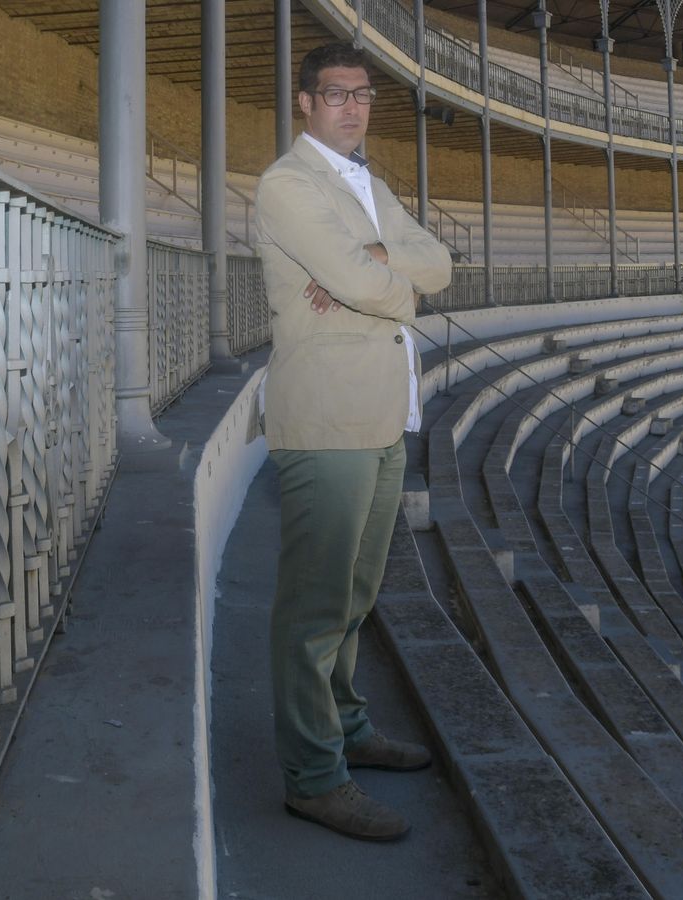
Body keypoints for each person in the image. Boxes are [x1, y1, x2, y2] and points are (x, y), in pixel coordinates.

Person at [253, 42, 452, 842]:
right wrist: (381, 275)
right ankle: (312, 778)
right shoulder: (286, 184)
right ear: (305, 103)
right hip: (327, 417)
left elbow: (437, 262)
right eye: (336, 95)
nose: (353, 106)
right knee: (314, 607)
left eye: (363, 94)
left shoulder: (368, 183)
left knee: (357, 594)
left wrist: (375, 268)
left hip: (382, 413)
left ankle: (347, 726)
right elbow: (381, 283)